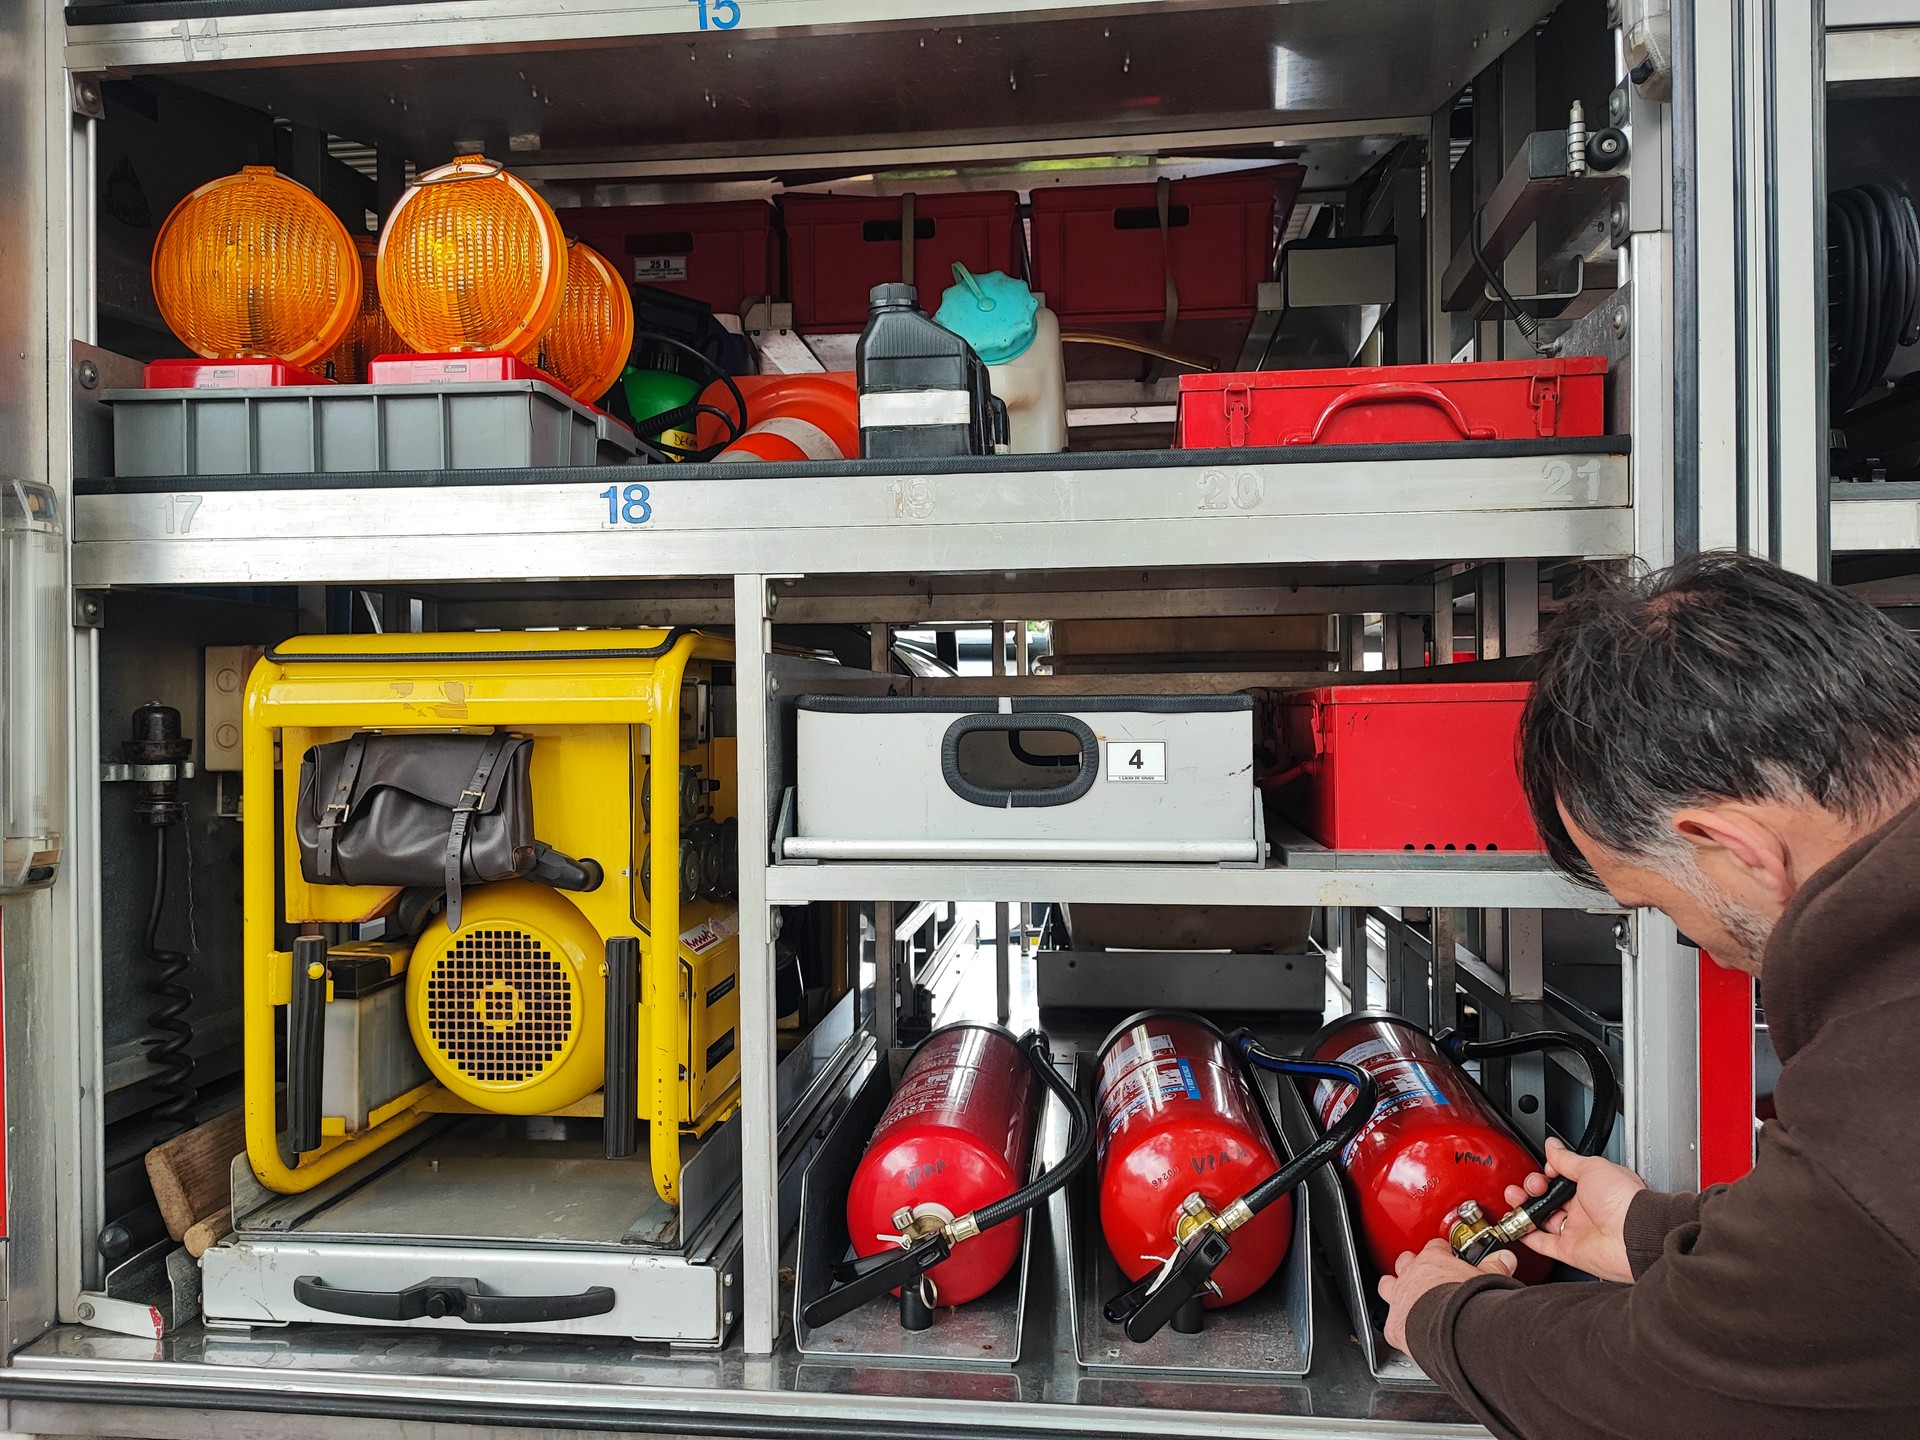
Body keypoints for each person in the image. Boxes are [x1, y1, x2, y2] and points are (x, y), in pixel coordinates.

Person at [1376, 551, 1920, 1438]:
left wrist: (1447, 1314)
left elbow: (1672, 1390)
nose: (1697, 943)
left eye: (1659, 907)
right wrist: (1654, 1231)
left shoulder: (1882, 1091)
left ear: (1735, 848)